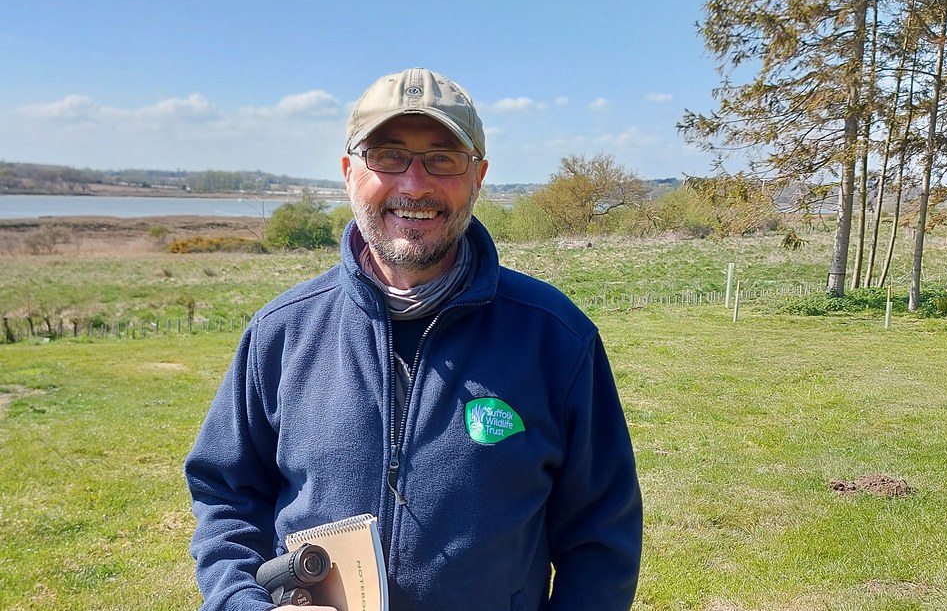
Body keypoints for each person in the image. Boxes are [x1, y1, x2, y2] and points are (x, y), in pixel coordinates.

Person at [184, 67, 643, 611]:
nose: (414, 184)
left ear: (479, 176)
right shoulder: (280, 333)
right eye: (389, 155)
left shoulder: (557, 338)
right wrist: (243, 603)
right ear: (349, 171)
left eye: (443, 158)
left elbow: (601, 537)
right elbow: (225, 496)